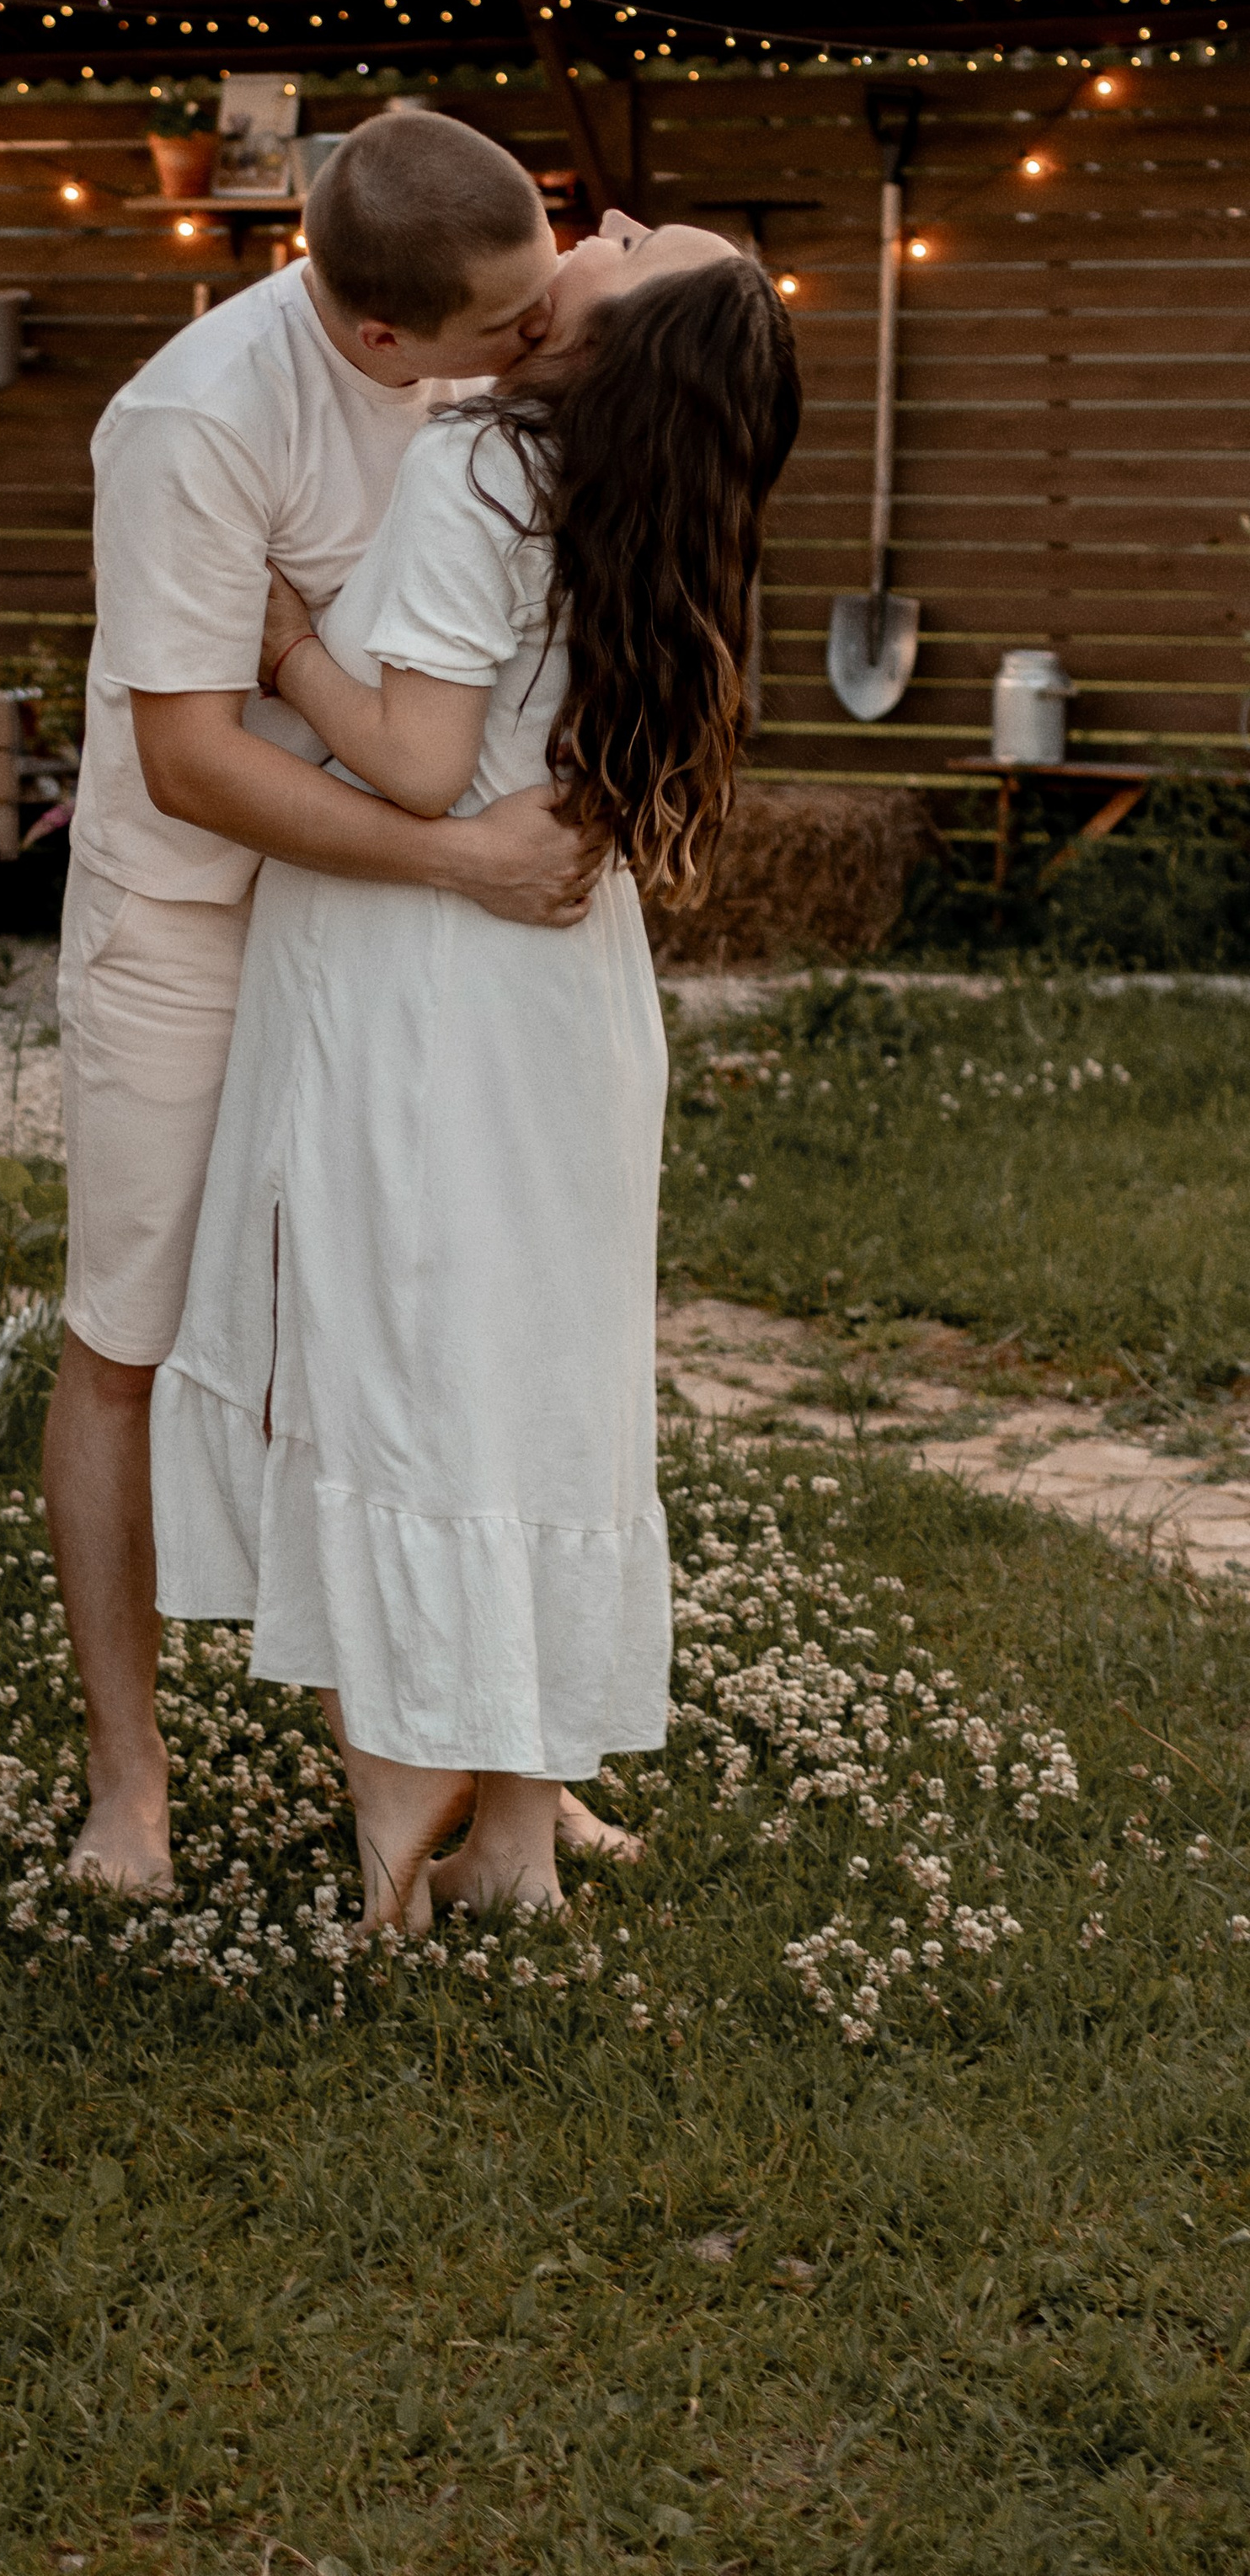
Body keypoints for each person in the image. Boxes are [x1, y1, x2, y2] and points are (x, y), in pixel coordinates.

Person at [150, 240, 801, 1931]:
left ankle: (401, 1804)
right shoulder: (646, 509)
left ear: (610, 344)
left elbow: (423, 765)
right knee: (527, 1380)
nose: (607, 224)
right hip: (565, 998)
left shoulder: (487, 465)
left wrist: (289, 650)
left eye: (636, 246)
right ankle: (515, 1838)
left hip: (417, 984)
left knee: (397, 1362)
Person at [46, 110, 613, 1895]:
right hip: (193, 919)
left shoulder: (499, 358)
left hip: (378, 938)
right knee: (132, 1336)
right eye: (503, 324)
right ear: (379, 333)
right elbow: (192, 759)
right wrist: (462, 859)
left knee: (419, 1326)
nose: (536, 339)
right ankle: (129, 1782)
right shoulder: (199, 421)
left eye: (542, 296)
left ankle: (489, 1758)